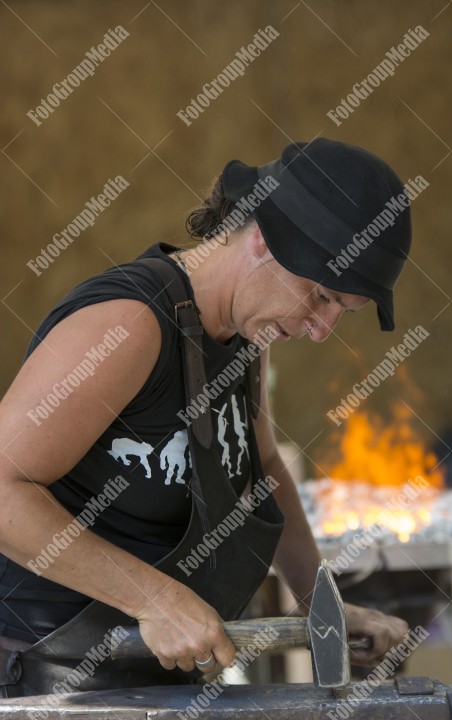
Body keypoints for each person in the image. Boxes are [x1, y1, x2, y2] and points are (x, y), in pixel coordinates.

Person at [0, 138, 411, 696]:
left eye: (342, 310)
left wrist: (323, 607)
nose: (322, 329)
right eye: (320, 296)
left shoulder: (245, 332)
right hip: (44, 678)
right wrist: (154, 599)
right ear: (264, 238)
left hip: (148, 676)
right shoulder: (129, 324)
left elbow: (263, 465)